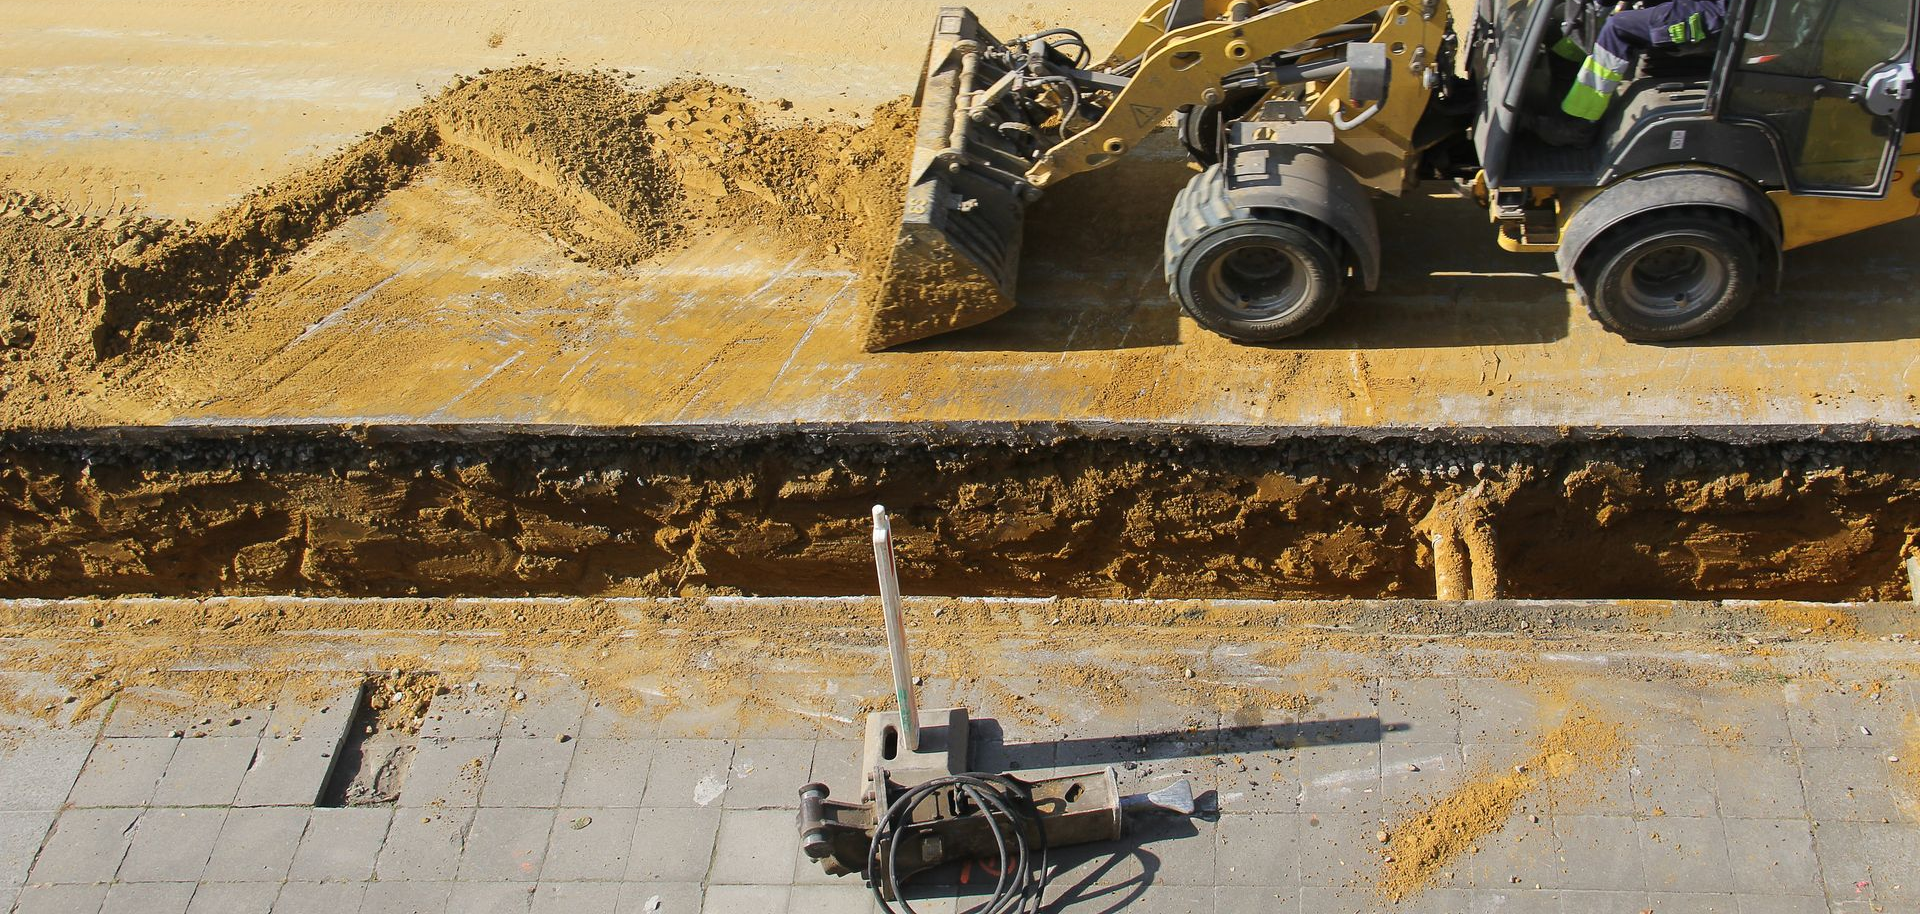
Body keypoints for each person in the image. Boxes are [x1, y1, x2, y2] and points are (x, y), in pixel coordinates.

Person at [1534, 0, 1728, 144]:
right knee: (1588, 19)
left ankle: (1579, 126)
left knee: (1617, 28)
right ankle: (1566, 85)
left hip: (1713, 12)